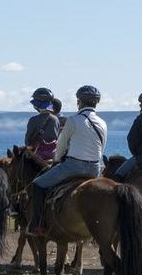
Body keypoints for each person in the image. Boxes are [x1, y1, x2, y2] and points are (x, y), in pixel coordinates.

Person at [26, 85, 106, 236]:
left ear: (79, 102)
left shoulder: (73, 120)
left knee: (38, 184)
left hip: (73, 166)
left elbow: (61, 145)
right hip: (95, 168)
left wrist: (57, 160)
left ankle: (37, 224)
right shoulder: (103, 123)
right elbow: (102, 148)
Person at [25, 87, 61, 163]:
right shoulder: (55, 119)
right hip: (53, 156)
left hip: (37, 157)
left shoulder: (33, 120)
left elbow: (27, 142)